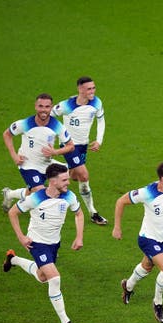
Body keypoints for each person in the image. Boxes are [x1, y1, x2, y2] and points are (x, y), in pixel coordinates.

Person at [3, 163, 84, 323]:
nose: (68, 183)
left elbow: (79, 214)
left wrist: (79, 237)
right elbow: (13, 212)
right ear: (53, 181)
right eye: (64, 180)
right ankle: (66, 322)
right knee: (54, 278)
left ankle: (13, 259)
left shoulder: (69, 196)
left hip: (54, 244)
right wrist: (21, 237)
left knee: (42, 277)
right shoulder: (36, 198)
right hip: (37, 243)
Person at [112, 160, 163, 323]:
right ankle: (158, 303)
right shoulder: (146, 192)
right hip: (147, 238)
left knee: (147, 266)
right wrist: (117, 227)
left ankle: (127, 286)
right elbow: (121, 201)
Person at [1, 93, 74, 212]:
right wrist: (14, 155)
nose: (43, 110)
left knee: (71, 172)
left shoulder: (57, 126)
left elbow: (71, 146)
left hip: (46, 164)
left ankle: (9, 194)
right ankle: (26, 214)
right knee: (41, 192)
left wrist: (55, 152)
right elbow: (7, 134)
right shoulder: (25, 124)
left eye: (47, 107)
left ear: (51, 107)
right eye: (41, 106)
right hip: (28, 164)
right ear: (35, 107)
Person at [52, 76, 108, 225]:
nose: (92, 91)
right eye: (89, 89)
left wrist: (99, 140)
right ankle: (93, 212)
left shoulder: (97, 102)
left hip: (83, 145)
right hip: (69, 145)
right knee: (83, 175)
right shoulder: (66, 105)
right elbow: (49, 116)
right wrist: (57, 134)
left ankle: (16, 193)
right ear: (80, 89)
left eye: (94, 88)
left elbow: (101, 120)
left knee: (74, 177)